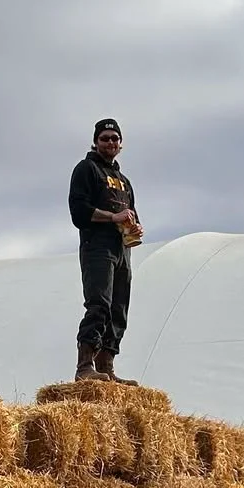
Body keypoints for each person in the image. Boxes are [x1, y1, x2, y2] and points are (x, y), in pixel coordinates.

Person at [68, 117, 143, 383]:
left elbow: (130, 212)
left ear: (121, 144)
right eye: (105, 138)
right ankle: (85, 366)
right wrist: (112, 218)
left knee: (118, 309)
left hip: (121, 249)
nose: (110, 142)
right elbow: (78, 212)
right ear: (96, 141)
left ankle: (106, 366)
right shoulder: (86, 169)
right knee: (99, 304)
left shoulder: (123, 180)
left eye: (114, 138)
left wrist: (135, 227)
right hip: (96, 247)